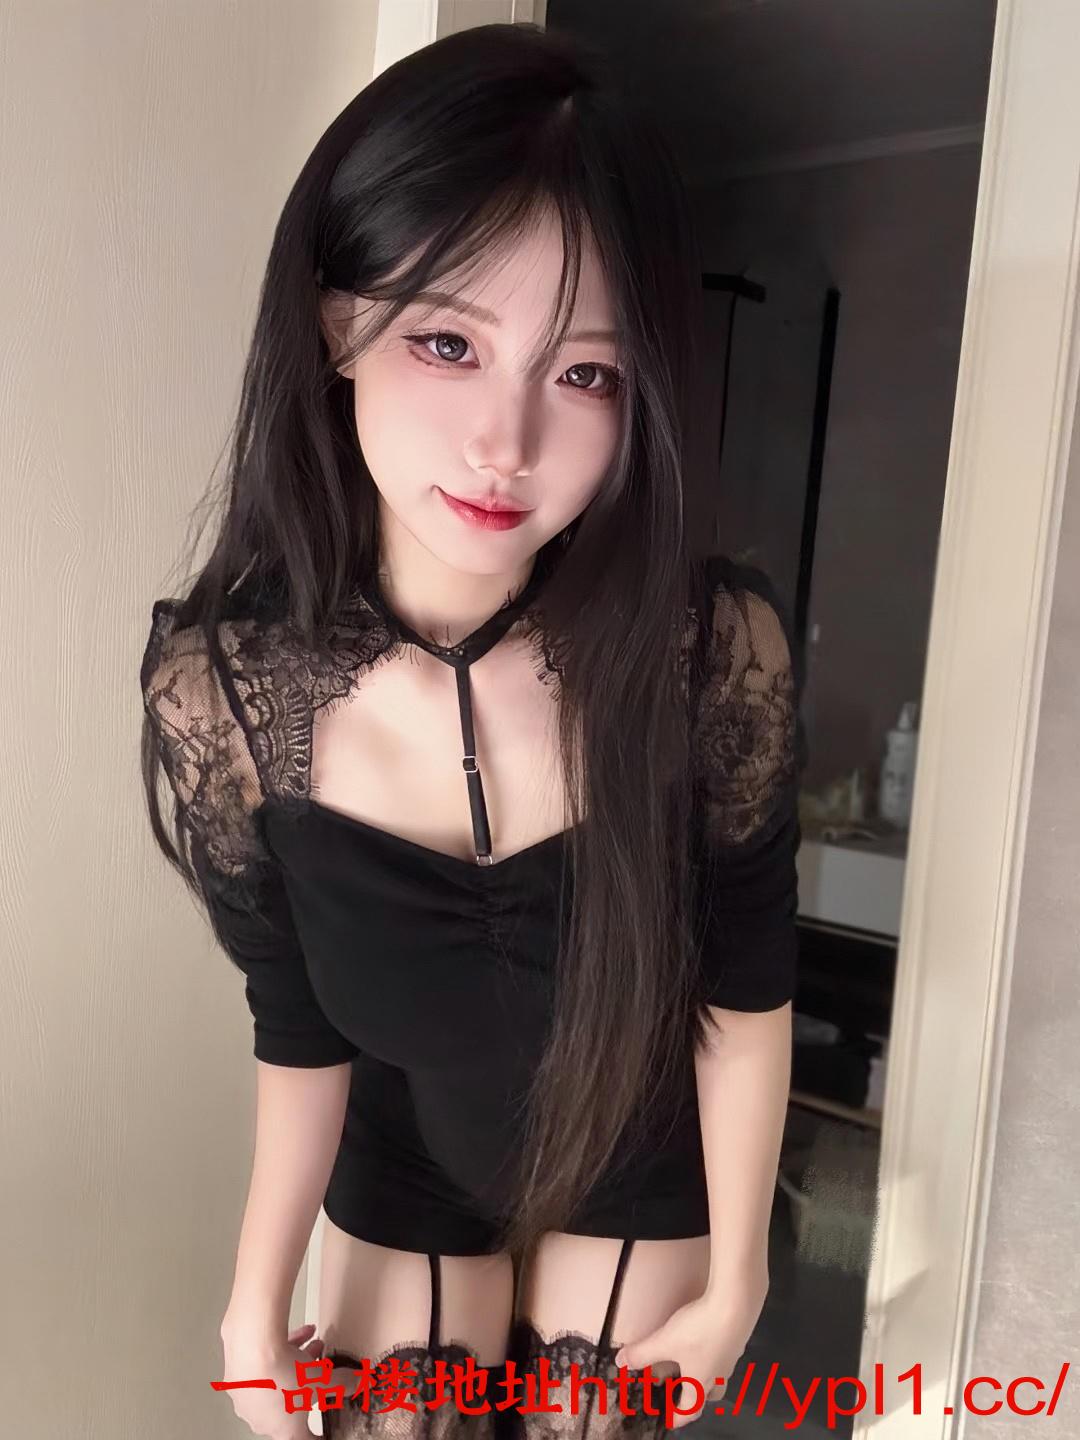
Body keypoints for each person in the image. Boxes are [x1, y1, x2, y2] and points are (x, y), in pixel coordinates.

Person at [139, 22, 806, 1440]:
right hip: (408, 1157)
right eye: (449, 341)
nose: (508, 444)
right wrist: (252, 1306)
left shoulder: (707, 656)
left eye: (586, 375)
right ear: (338, 325)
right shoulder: (229, 694)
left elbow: (746, 991)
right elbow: (297, 1020)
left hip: (640, 1151)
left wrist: (741, 1281)